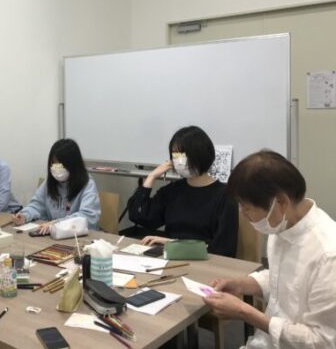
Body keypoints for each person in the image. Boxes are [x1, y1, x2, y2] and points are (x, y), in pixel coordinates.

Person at [203, 150, 336, 348]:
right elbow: (281, 279)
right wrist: (242, 284)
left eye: (247, 208)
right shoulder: (282, 226)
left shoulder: (328, 255)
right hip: (266, 341)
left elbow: (322, 341)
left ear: (280, 202)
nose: (243, 214)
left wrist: (244, 312)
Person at [124, 126, 238, 257]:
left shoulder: (225, 197)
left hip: (206, 261)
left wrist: (173, 243)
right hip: (171, 257)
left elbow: (223, 249)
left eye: (184, 155)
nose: (180, 161)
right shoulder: (172, 191)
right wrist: (151, 177)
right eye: (176, 155)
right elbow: (140, 216)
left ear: (202, 155)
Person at [12, 139, 101, 234]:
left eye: (61, 165)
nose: (57, 169)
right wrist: (24, 216)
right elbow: (37, 205)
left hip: (77, 236)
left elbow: (87, 217)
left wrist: (56, 224)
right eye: (54, 164)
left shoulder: (87, 184)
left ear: (73, 164)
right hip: (52, 236)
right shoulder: (50, 182)